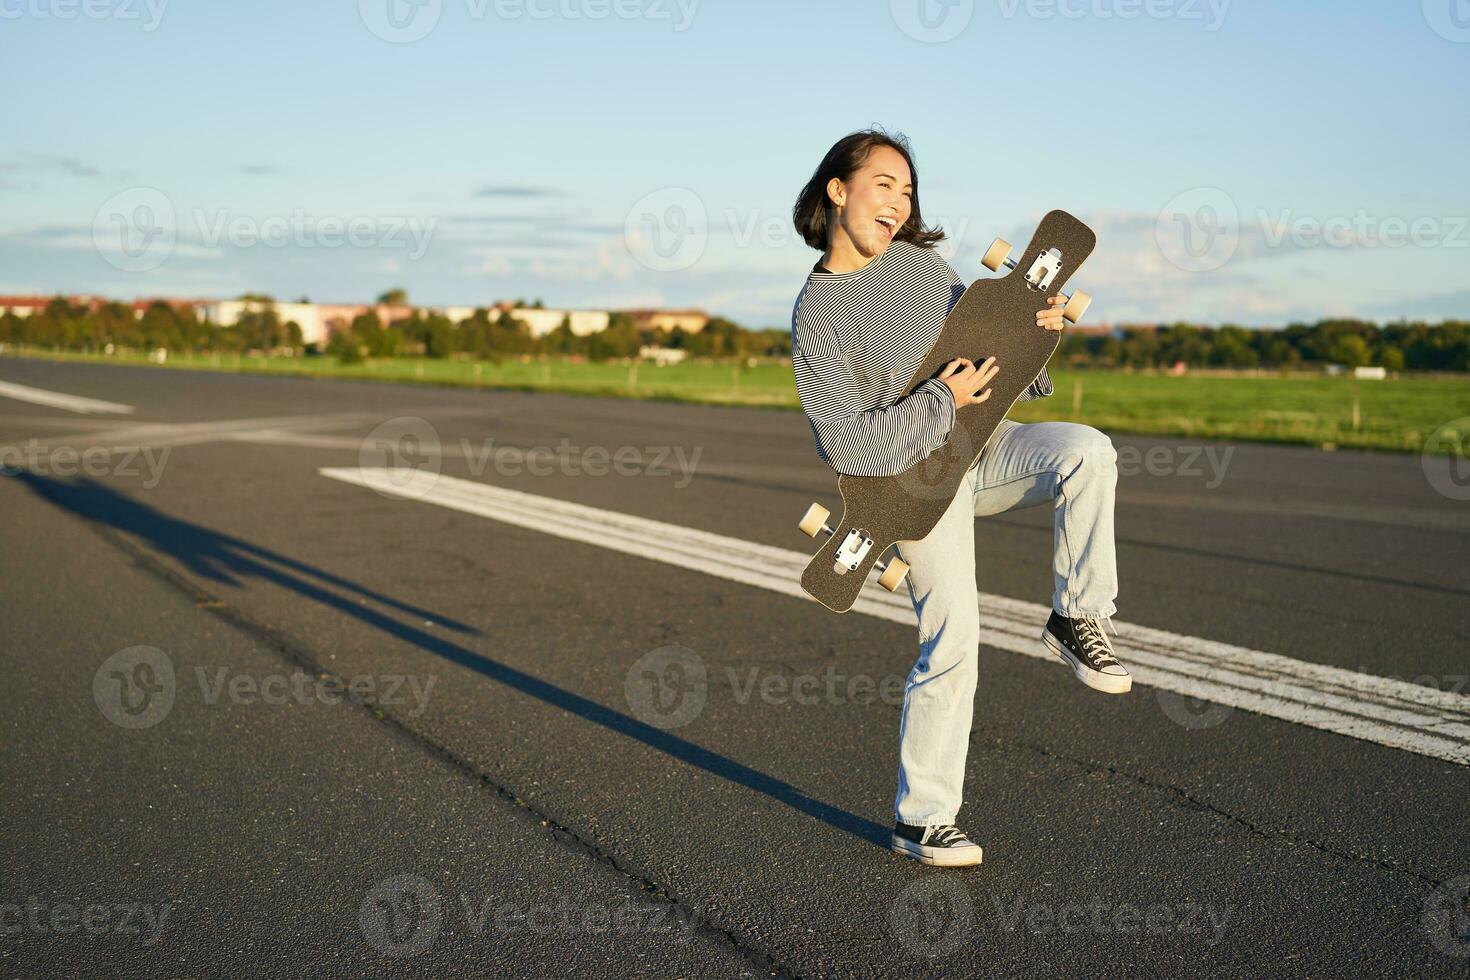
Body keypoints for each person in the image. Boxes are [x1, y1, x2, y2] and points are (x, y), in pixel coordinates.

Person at [789, 128, 1131, 868]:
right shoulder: (818, 312)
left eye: (908, 189)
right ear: (837, 191)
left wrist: (1035, 338)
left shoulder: (917, 265)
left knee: (1087, 453)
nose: (900, 200)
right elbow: (849, 445)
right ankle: (925, 819)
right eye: (884, 183)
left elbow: (992, 354)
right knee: (954, 643)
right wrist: (940, 400)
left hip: (987, 448)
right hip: (915, 485)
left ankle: (1076, 615)